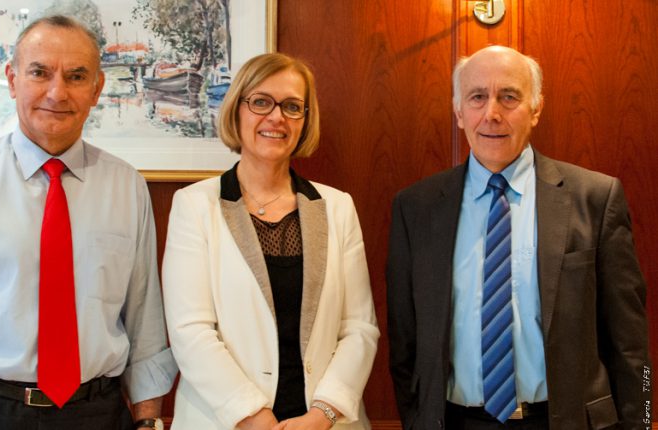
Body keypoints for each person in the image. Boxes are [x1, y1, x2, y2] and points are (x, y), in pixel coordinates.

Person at [0, 16, 176, 430]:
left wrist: (148, 423)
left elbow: (145, 324)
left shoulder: (126, 186)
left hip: (97, 413)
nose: (57, 92)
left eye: (76, 76)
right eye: (40, 72)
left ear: (96, 89)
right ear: (12, 79)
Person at [386, 44, 651, 430]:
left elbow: (632, 348)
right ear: (459, 111)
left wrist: (642, 423)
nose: (492, 113)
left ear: (536, 108)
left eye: (509, 96)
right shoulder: (416, 208)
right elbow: (404, 342)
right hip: (454, 420)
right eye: (478, 97)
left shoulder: (595, 198)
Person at [161, 52, 380, 430]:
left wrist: (323, 414)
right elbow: (190, 330)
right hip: (225, 421)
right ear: (237, 110)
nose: (276, 117)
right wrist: (252, 415)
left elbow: (359, 328)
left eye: (292, 106)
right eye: (261, 102)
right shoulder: (194, 206)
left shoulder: (337, 207)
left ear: (304, 120)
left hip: (322, 423)